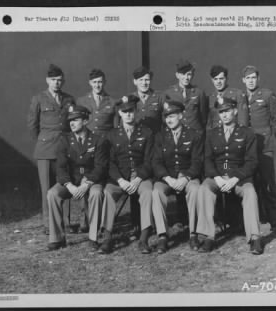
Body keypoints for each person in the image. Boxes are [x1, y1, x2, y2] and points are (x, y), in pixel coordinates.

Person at [197, 97, 263, 254]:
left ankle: (255, 238)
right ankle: (208, 237)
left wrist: (235, 178)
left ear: (234, 111)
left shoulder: (247, 133)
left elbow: (252, 161)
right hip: (217, 177)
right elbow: (207, 159)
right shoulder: (212, 134)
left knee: (250, 192)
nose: (224, 115)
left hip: (239, 178)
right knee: (204, 189)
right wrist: (217, 178)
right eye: (221, 112)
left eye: (227, 111)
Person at [46, 106, 109, 251]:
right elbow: (60, 167)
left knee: (96, 193)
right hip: (72, 181)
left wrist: (86, 184)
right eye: (70, 121)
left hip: (92, 180)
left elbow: (101, 167)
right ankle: (57, 238)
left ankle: (93, 237)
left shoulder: (98, 140)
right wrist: (69, 185)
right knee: (52, 194)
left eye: (76, 120)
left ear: (86, 121)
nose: (72, 123)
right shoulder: (65, 140)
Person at [100, 95, 154, 254]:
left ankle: (144, 238)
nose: (128, 114)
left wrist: (138, 178)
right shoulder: (111, 135)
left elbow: (149, 160)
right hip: (120, 179)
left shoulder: (146, 132)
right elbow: (109, 162)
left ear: (136, 111)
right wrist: (120, 180)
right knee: (108, 193)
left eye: (131, 111)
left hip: (140, 177)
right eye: (125, 112)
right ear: (120, 114)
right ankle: (107, 238)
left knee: (148, 192)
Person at [27, 64, 76, 235]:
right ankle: (49, 224)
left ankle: (66, 222)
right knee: (47, 189)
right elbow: (33, 126)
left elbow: (73, 123)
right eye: (54, 80)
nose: (57, 83)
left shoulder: (69, 99)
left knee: (65, 185)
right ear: (48, 80)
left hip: (65, 150)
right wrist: (42, 142)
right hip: (46, 150)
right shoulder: (39, 98)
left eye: (60, 80)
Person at [152, 100, 203, 253]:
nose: (169, 120)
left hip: (187, 177)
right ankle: (162, 235)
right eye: (166, 117)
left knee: (195, 190)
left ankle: (193, 233)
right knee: (156, 192)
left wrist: (185, 178)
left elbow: (197, 161)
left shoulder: (194, 135)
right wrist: (168, 179)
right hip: (167, 178)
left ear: (181, 116)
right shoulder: (160, 137)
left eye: (172, 116)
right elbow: (156, 162)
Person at [242, 65, 276, 229]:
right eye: (248, 78)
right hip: (248, 147)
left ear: (258, 79)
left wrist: (270, 136)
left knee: (267, 181)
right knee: (253, 181)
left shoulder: (267, 95)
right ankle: (260, 216)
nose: (251, 81)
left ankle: (274, 217)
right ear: (243, 80)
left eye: (254, 77)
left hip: (264, 146)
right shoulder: (241, 97)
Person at [164, 59, 208, 134]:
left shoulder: (199, 93)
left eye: (189, 74)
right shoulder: (169, 93)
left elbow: (203, 117)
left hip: (196, 134)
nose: (186, 77)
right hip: (178, 135)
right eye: (183, 74)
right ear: (177, 75)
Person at [77, 69, 118, 137]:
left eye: (100, 82)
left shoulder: (112, 102)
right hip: (87, 139)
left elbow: (115, 127)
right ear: (90, 83)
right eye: (94, 82)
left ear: (104, 82)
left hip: (105, 140)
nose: (97, 85)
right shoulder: (81, 101)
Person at [207, 65, 248, 130]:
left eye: (221, 78)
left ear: (226, 79)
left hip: (233, 134)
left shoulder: (238, 94)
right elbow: (209, 122)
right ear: (212, 80)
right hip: (216, 136)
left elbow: (243, 121)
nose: (218, 82)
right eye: (215, 79)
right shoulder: (210, 97)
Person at [132, 66, 166, 134]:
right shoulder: (130, 98)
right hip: (137, 139)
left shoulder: (160, 97)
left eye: (147, 80)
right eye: (141, 80)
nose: (144, 83)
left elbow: (166, 120)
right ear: (135, 82)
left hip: (155, 138)